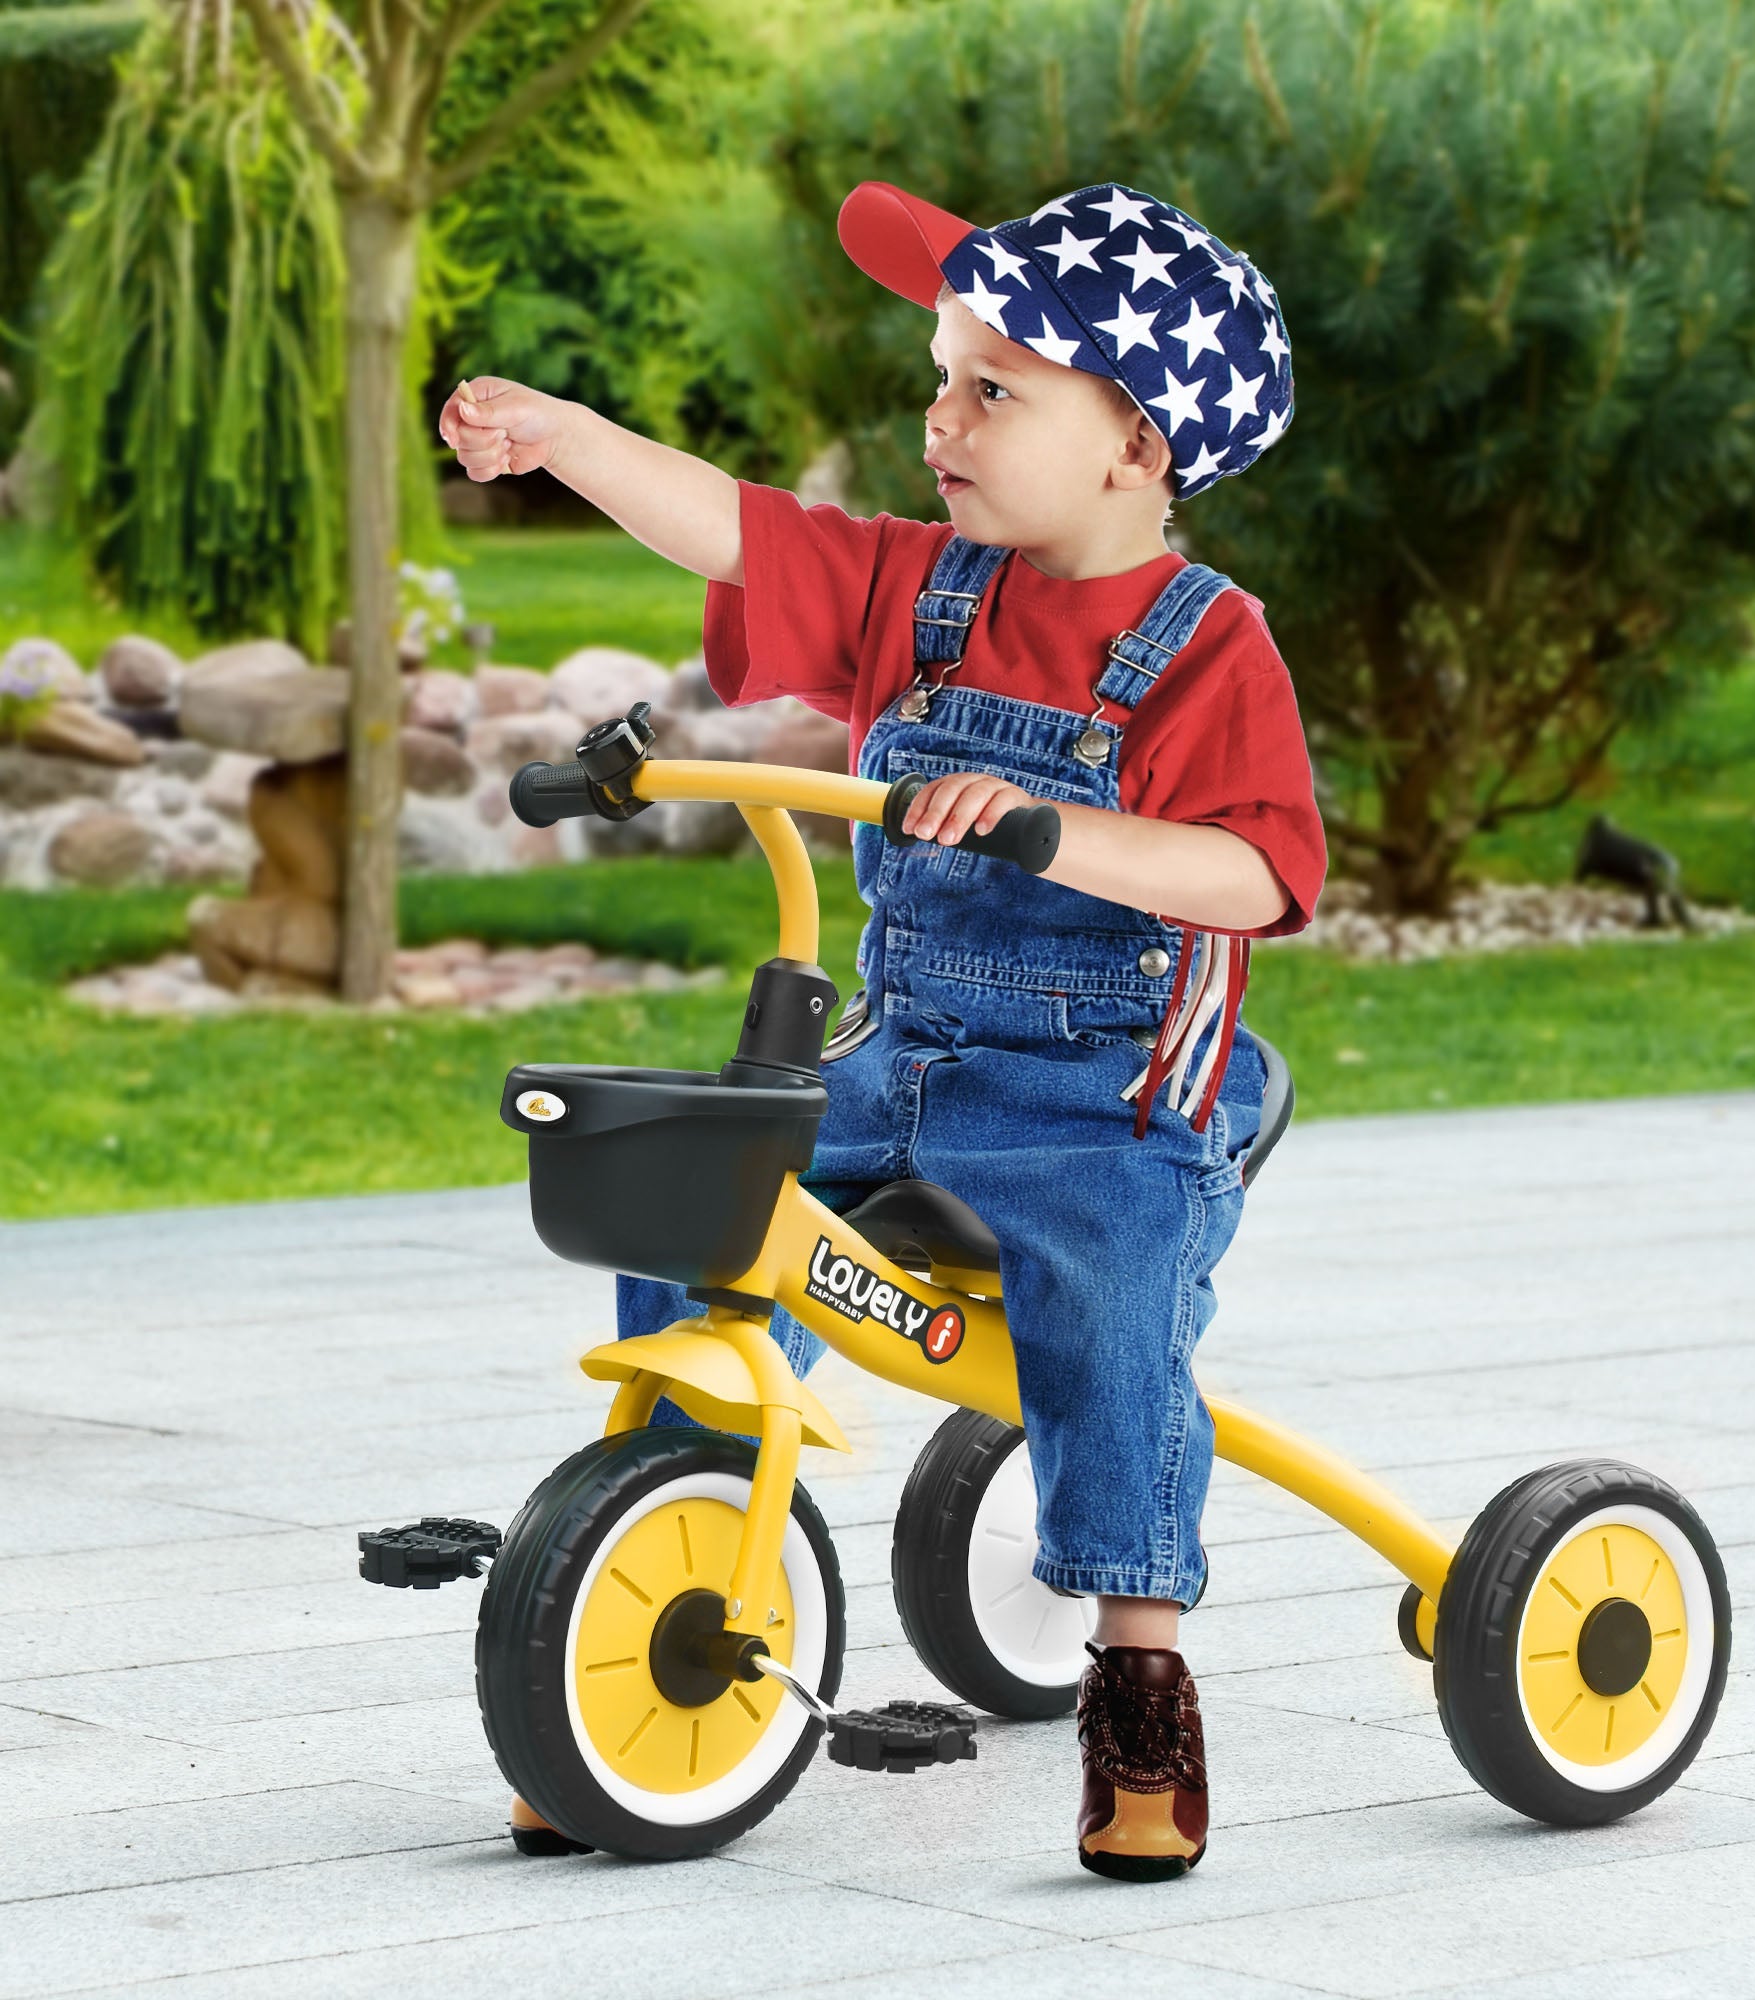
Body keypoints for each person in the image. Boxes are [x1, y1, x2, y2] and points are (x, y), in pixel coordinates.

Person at [439, 178, 1326, 1880]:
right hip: (907, 1054)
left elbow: (1253, 869)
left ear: (1136, 445)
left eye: (996, 388)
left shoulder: (1210, 648)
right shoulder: (922, 591)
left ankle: (1139, 1662)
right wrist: (567, 436)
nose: (943, 416)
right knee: (703, 1197)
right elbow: (737, 527)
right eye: (942, 374)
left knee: (1111, 1304)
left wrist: (1054, 829)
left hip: (1108, 1092)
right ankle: (651, 1582)